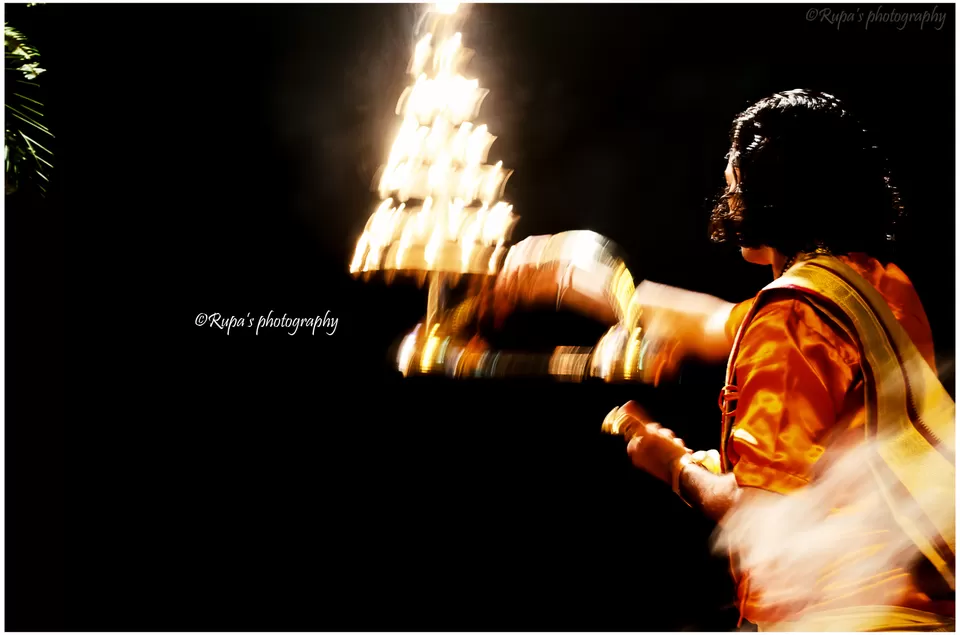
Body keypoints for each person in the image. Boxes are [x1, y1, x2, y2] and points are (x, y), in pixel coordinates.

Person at [490, 89, 955, 631]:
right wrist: (570, 276)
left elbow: (762, 515)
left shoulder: (793, 315)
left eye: (736, 172)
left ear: (771, 187)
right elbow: (712, 324)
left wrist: (674, 465)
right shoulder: (876, 286)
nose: (729, 190)